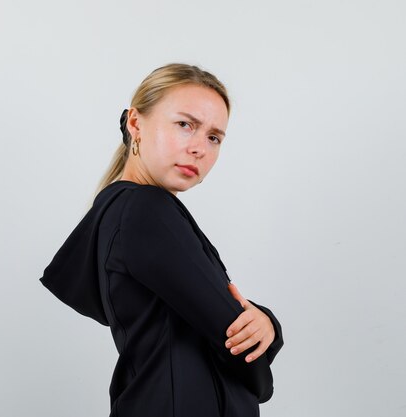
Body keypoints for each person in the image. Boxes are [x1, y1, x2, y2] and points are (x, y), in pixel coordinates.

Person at [39, 63, 283, 417]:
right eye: (185, 125)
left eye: (214, 137)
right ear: (135, 123)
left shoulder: (125, 210)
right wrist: (266, 348)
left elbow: (217, 316)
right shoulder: (145, 208)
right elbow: (238, 344)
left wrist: (264, 322)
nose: (199, 148)